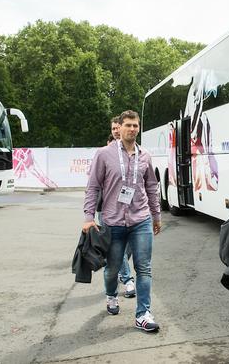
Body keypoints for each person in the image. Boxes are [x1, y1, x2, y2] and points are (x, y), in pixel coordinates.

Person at [82, 110, 162, 332]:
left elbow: (152, 187)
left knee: (144, 268)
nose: (132, 129)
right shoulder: (104, 154)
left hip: (141, 219)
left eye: (135, 125)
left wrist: (156, 216)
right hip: (113, 221)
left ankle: (143, 314)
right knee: (112, 268)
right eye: (128, 125)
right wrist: (89, 217)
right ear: (120, 127)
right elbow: (93, 186)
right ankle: (111, 295)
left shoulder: (145, 155)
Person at [107, 116, 136, 297]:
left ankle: (120, 269)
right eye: (113, 129)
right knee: (116, 246)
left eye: (118, 128)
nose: (116, 131)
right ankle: (127, 279)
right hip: (110, 208)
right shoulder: (106, 151)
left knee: (129, 247)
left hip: (132, 208)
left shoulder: (136, 151)